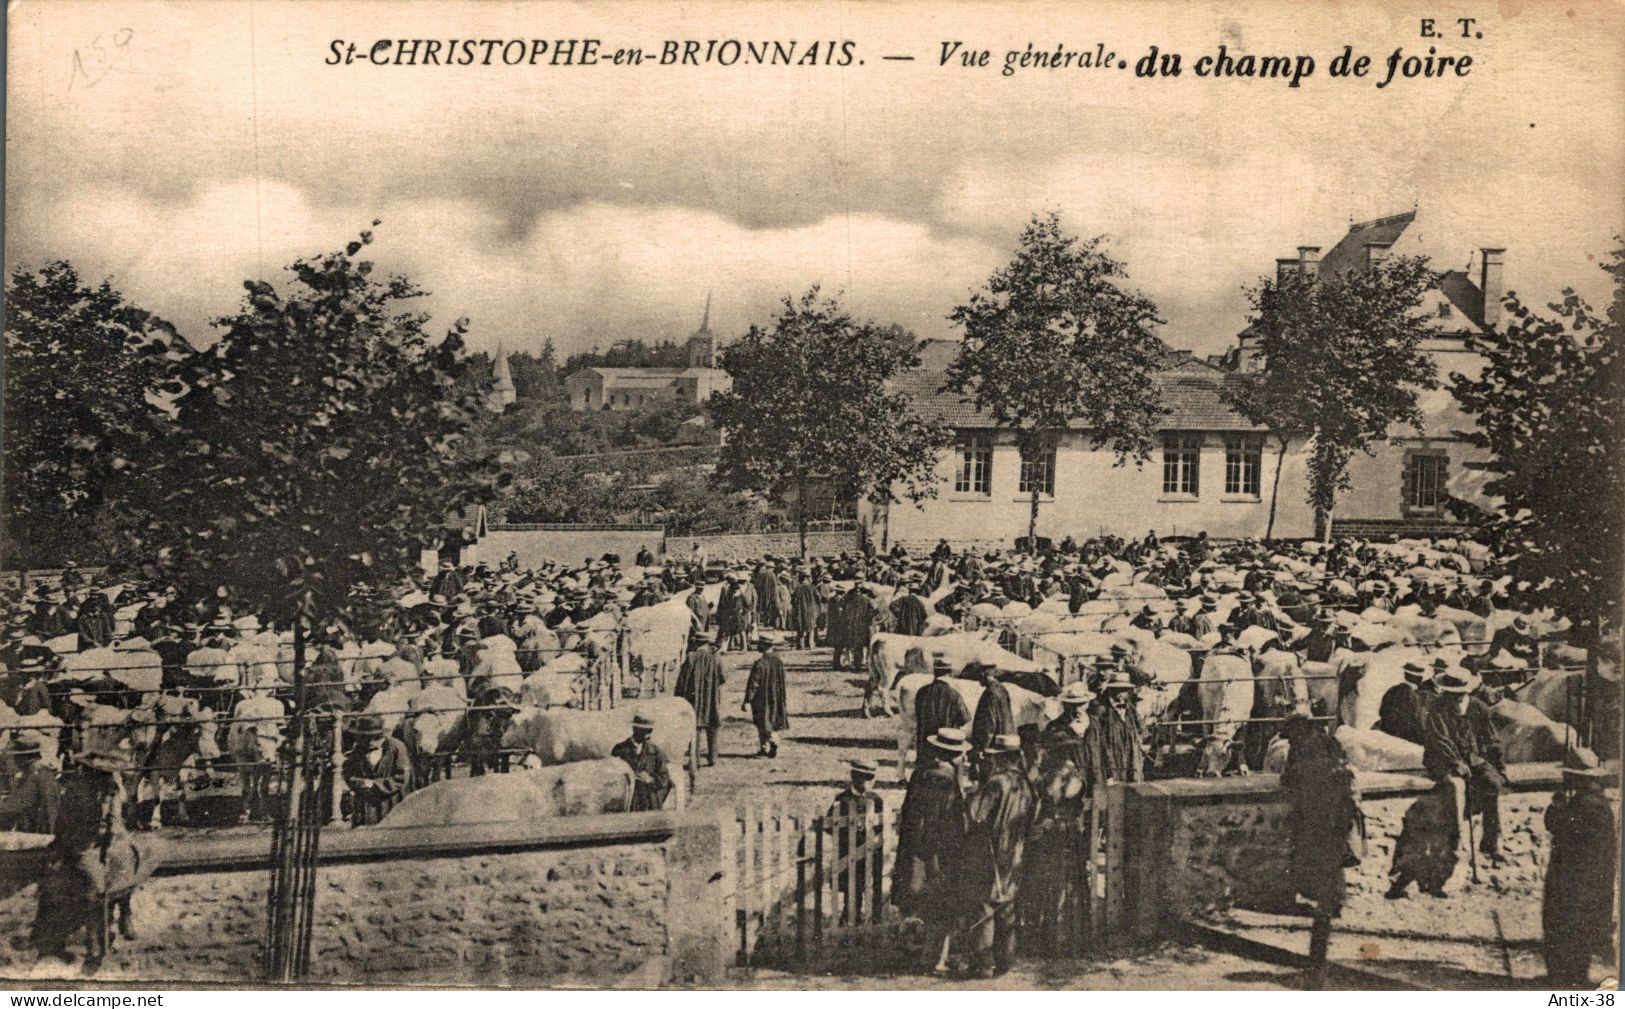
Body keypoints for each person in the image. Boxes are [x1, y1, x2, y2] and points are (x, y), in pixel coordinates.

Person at [1280, 714, 1363, 989]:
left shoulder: (1299, 748)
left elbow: (1289, 780)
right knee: (1333, 861)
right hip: (1338, 813)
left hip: (1317, 816)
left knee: (1316, 862)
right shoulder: (1330, 743)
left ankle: (1319, 948)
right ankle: (1336, 899)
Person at [893, 726, 970, 974]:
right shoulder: (946, 780)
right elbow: (948, 821)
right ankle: (935, 959)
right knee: (941, 905)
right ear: (952, 754)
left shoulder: (921, 774)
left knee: (916, 900)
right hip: (938, 851)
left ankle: (914, 951)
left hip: (915, 847)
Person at [1024, 681, 1094, 950]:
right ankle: (1064, 937)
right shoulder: (1065, 773)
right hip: (1064, 833)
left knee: (1058, 884)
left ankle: (1058, 938)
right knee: (1065, 883)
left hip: (1059, 832)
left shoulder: (1062, 775)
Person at [961, 732, 1037, 978]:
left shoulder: (997, 783)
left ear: (1002, 758)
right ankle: (1006, 961)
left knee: (984, 907)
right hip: (1016, 852)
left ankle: (982, 965)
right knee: (1008, 906)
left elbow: (976, 814)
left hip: (991, 851)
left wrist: (972, 794)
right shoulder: (1025, 784)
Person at [1542, 762, 1618, 987]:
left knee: (1564, 922)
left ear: (1578, 778)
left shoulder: (1583, 806)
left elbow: (1556, 825)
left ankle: (1565, 976)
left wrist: (1556, 805)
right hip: (1589, 876)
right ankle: (1573, 973)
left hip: (1573, 877)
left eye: (1569, 775)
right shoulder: (1597, 803)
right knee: (1579, 924)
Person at [1422, 669, 1507, 866]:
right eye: (1452, 694)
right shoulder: (1437, 708)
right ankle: (1456, 839)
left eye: (1459, 694)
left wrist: (1499, 767)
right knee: (1456, 786)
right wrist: (1455, 762)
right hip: (1442, 759)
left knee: (1492, 783)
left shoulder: (1478, 707)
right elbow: (1439, 740)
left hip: (1472, 759)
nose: (1456, 698)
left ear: (1466, 691)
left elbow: (1492, 739)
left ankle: (1492, 842)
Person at [826, 757, 884, 923]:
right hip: (849, 852)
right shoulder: (842, 800)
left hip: (872, 852)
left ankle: (875, 919)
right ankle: (850, 919)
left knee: (873, 887)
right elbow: (829, 825)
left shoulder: (876, 799)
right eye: (861, 777)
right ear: (853, 777)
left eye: (869, 778)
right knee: (853, 889)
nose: (865, 782)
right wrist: (847, 831)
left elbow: (882, 826)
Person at [1386, 779, 1460, 899]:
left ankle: (1433, 886)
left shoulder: (1447, 789)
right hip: (1421, 833)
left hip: (1433, 831)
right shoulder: (1433, 796)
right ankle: (1399, 888)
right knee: (1417, 860)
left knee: (1440, 859)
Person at [342, 714, 411, 826]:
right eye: (365, 738)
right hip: (366, 804)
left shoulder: (397, 747)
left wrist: (375, 784)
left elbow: (402, 778)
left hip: (391, 802)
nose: (370, 742)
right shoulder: (359, 749)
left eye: (375, 738)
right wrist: (360, 784)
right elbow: (348, 773)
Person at [1084, 670, 1144, 784]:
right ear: (1110, 690)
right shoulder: (1101, 710)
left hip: (1129, 757)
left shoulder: (1129, 708)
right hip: (1111, 758)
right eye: (1118, 690)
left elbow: (1140, 728)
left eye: (1125, 690)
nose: (1121, 694)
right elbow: (1096, 738)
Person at [675, 633, 725, 766]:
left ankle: (694, 759)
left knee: (694, 727)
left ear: (696, 642)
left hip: (693, 697)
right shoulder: (716, 658)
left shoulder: (690, 657)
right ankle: (712, 757)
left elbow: (682, 680)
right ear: (708, 643)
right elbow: (723, 678)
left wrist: (678, 697)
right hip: (712, 697)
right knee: (713, 724)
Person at [612, 713, 673, 811]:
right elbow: (612, 776)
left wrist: (651, 779)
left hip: (650, 804)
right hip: (628, 803)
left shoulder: (656, 752)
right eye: (645, 730)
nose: (649, 734)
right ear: (635, 729)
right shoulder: (620, 749)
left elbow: (665, 779)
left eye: (650, 731)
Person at [0, 737, 60, 835]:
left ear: (25, 759)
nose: (12, 761)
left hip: (37, 834)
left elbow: (50, 811)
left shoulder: (40, 777)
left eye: (14, 757)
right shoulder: (30, 776)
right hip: (28, 830)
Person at [742, 636, 789, 758]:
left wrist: (748, 700)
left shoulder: (759, 663)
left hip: (761, 698)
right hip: (776, 696)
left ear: (762, 646)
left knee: (762, 722)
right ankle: (764, 748)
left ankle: (772, 740)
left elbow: (754, 683)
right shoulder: (778, 661)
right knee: (772, 720)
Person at [914, 657, 970, 759]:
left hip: (924, 749)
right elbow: (964, 719)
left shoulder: (922, 692)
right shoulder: (954, 694)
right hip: (945, 748)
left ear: (935, 672)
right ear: (949, 673)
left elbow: (917, 716)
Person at [968, 662, 1014, 781]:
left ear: (984, 674)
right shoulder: (1002, 689)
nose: (978, 678)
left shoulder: (989, 693)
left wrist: (981, 749)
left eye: (979, 674)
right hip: (1004, 746)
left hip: (991, 750)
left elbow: (988, 725)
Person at [1377, 662, 1430, 745]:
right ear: (1420, 678)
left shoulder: (1392, 690)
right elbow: (1416, 723)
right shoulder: (1414, 696)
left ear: (1405, 675)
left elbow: (1382, 712)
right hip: (1408, 740)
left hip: (1387, 735)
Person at [788, 572, 819, 650]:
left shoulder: (798, 588)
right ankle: (811, 644)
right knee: (811, 627)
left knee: (801, 626)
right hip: (811, 609)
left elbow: (794, 600)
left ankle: (801, 645)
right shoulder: (813, 587)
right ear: (808, 577)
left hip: (800, 610)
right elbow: (818, 597)